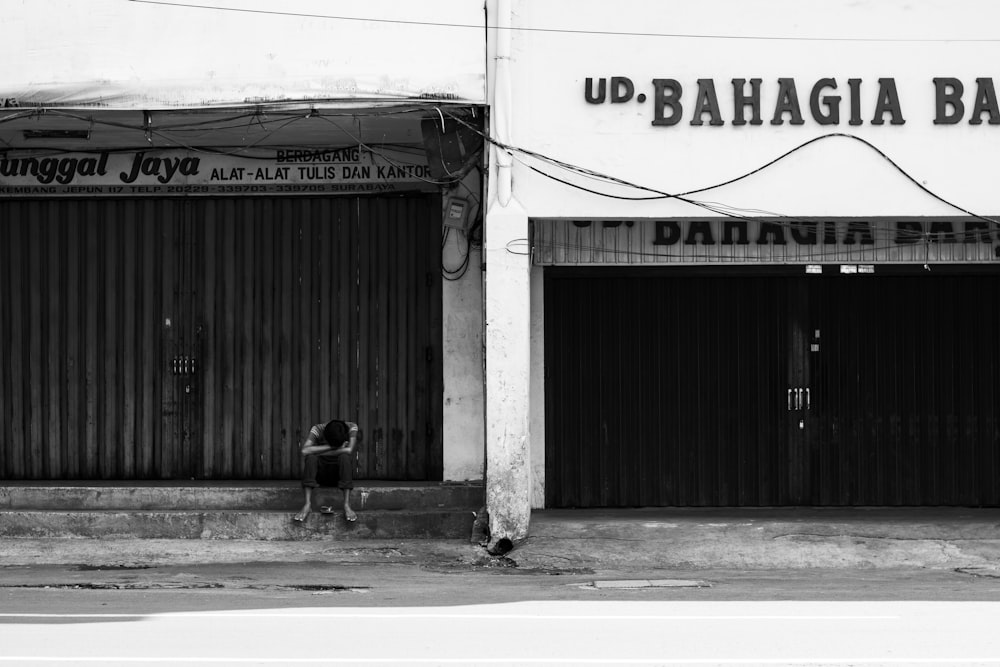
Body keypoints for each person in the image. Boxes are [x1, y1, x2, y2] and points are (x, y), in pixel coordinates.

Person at [293, 419, 359, 523]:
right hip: (320, 476)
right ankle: (307, 504)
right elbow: (304, 451)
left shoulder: (352, 427)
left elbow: (349, 450)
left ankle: (346, 504)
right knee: (311, 458)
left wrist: (318, 452)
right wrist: (332, 447)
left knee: (345, 457)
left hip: (339, 476)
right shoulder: (318, 429)